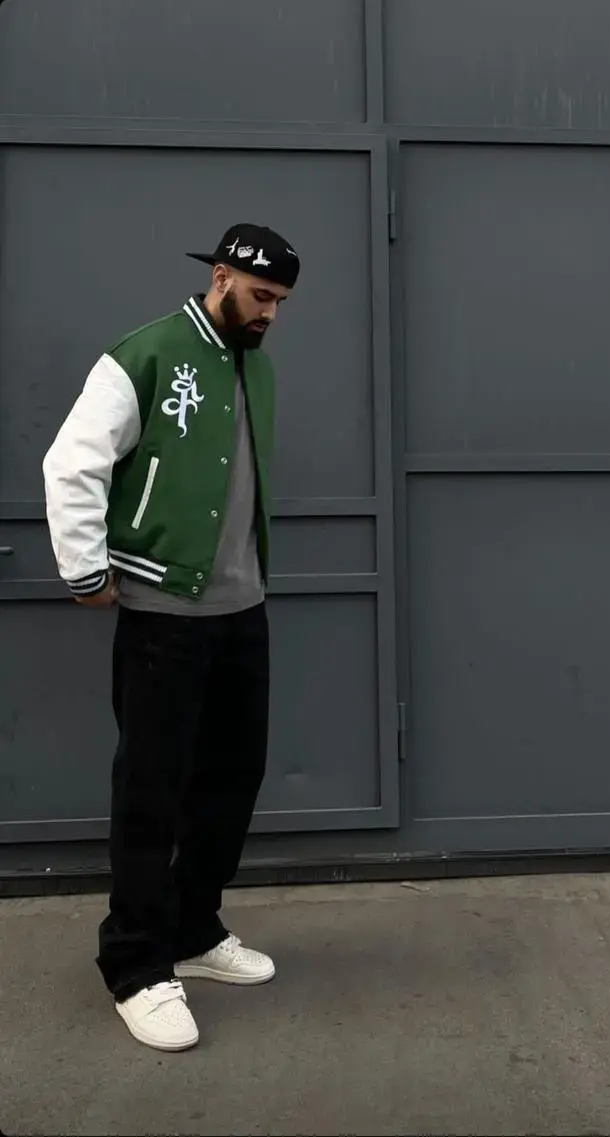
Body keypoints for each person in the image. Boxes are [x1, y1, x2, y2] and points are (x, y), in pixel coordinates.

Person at [42, 224, 300, 1051]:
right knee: (150, 791)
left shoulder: (255, 364)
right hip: (163, 614)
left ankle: (193, 927)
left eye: (280, 302)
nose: (270, 314)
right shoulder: (147, 353)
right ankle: (135, 963)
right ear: (221, 277)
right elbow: (73, 463)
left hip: (241, 610)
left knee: (231, 778)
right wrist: (86, 570)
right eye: (260, 296)